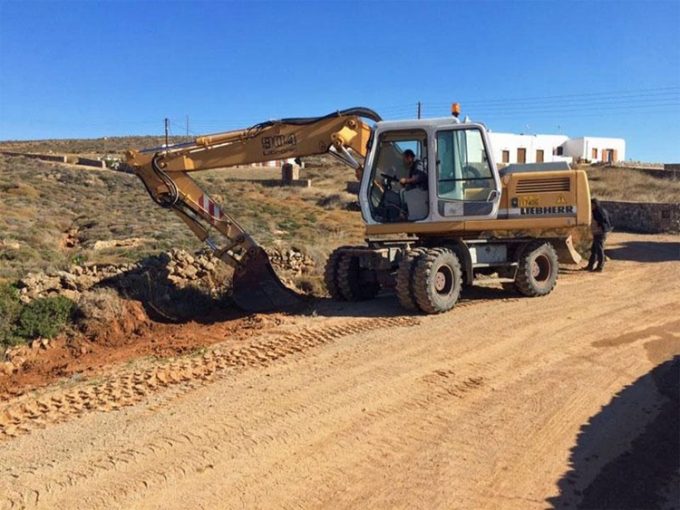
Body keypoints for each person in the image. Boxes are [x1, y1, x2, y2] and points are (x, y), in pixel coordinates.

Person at [587, 198, 613, 272]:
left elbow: (603, 221)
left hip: (600, 233)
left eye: (592, 204)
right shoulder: (596, 211)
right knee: (594, 250)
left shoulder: (599, 212)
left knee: (599, 250)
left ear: (595, 204)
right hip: (597, 233)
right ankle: (590, 266)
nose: (591, 206)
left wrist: (599, 226)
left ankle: (600, 267)